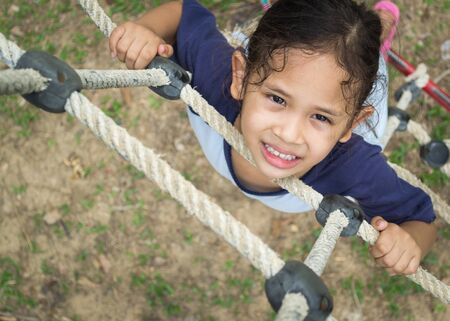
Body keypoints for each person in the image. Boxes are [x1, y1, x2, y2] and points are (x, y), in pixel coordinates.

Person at [109, 0, 437, 276]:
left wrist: (410, 243)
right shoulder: (217, 78)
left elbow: (419, 217)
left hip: (357, 87)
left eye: (320, 117)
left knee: (368, 49)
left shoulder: (352, 165)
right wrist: (147, 30)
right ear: (240, 77)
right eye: (277, 99)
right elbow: (184, 13)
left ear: (351, 123)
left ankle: (383, 23)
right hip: (283, 62)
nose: (288, 134)